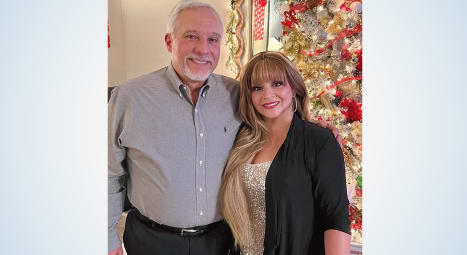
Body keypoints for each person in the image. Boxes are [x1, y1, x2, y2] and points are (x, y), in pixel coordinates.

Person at [108, 1, 342, 254]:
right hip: (151, 241)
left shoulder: (235, 94)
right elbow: (108, 174)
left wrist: (314, 132)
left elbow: (272, 117)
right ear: (169, 42)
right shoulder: (129, 98)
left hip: (220, 242)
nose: (203, 49)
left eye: (213, 39)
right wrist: (107, 239)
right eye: (191, 36)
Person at [220, 51, 351, 255]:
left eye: (277, 84)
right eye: (257, 88)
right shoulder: (239, 139)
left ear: (294, 87)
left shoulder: (319, 141)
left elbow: (335, 217)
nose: (267, 95)